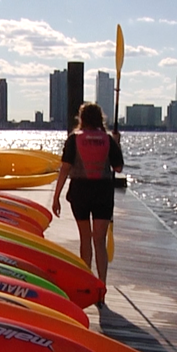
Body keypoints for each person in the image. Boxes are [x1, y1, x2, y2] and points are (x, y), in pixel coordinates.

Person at [52, 103, 123, 297]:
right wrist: (117, 143)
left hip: (80, 192)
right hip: (103, 192)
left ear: (81, 118)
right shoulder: (108, 140)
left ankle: (87, 284)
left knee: (85, 239)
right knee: (99, 240)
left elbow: (65, 169)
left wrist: (56, 197)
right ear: (100, 119)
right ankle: (101, 286)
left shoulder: (74, 139)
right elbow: (118, 168)